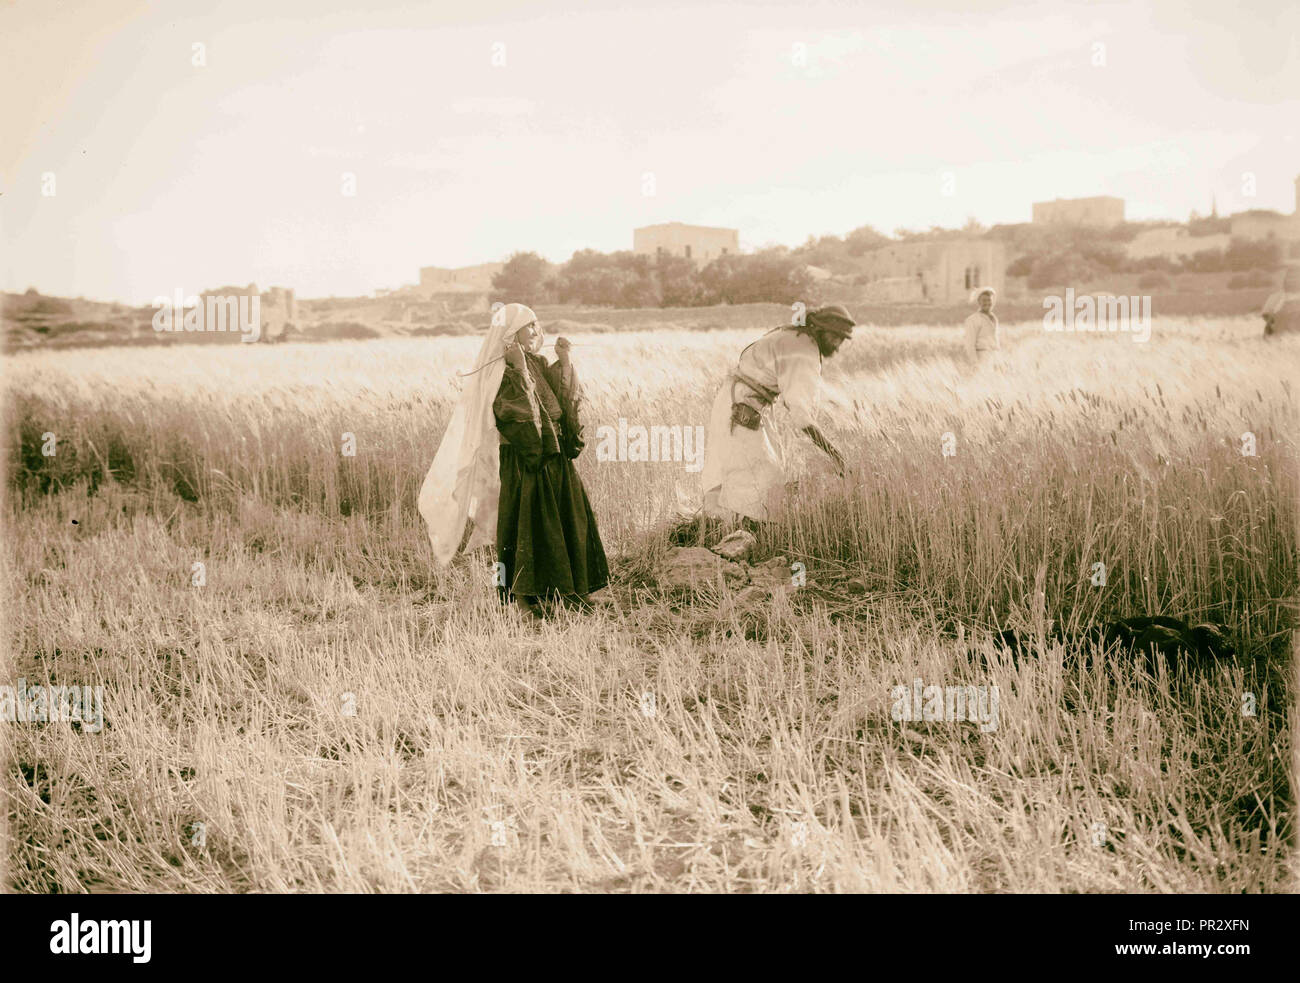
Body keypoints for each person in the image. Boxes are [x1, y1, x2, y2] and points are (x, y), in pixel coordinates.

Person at [418, 303, 608, 619]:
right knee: (526, 529)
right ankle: (523, 600)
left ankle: (571, 591)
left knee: (567, 520)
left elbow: (560, 405)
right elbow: (521, 421)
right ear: (510, 334)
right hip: (527, 461)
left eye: (536, 324)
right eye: (528, 326)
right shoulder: (500, 372)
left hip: (554, 456)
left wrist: (564, 361)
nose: (536, 331)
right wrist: (518, 370)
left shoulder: (536, 362)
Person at [701, 304, 854, 523]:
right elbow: (800, 414)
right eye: (835, 337)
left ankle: (713, 531)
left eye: (842, 340)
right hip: (742, 407)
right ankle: (739, 536)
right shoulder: (803, 351)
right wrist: (836, 455)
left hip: (734, 400)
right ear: (820, 330)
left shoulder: (792, 335)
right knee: (763, 475)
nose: (838, 346)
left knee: (729, 470)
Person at [1261, 264, 1300, 337]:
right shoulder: (1275, 297)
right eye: (1290, 278)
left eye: (1295, 278)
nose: (1292, 280)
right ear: (1285, 280)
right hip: (1280, 330)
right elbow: (1265, 314)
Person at [963, 286, 1000, 362]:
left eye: (989, 300)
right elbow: (969, 344)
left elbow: (995, 341)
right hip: (981, 357)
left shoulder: (994, 318)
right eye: (984, 300)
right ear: (979, 302)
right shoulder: (973, 320)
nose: (987, 303)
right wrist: (974, 363)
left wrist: (999, 360)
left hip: (995, 357)